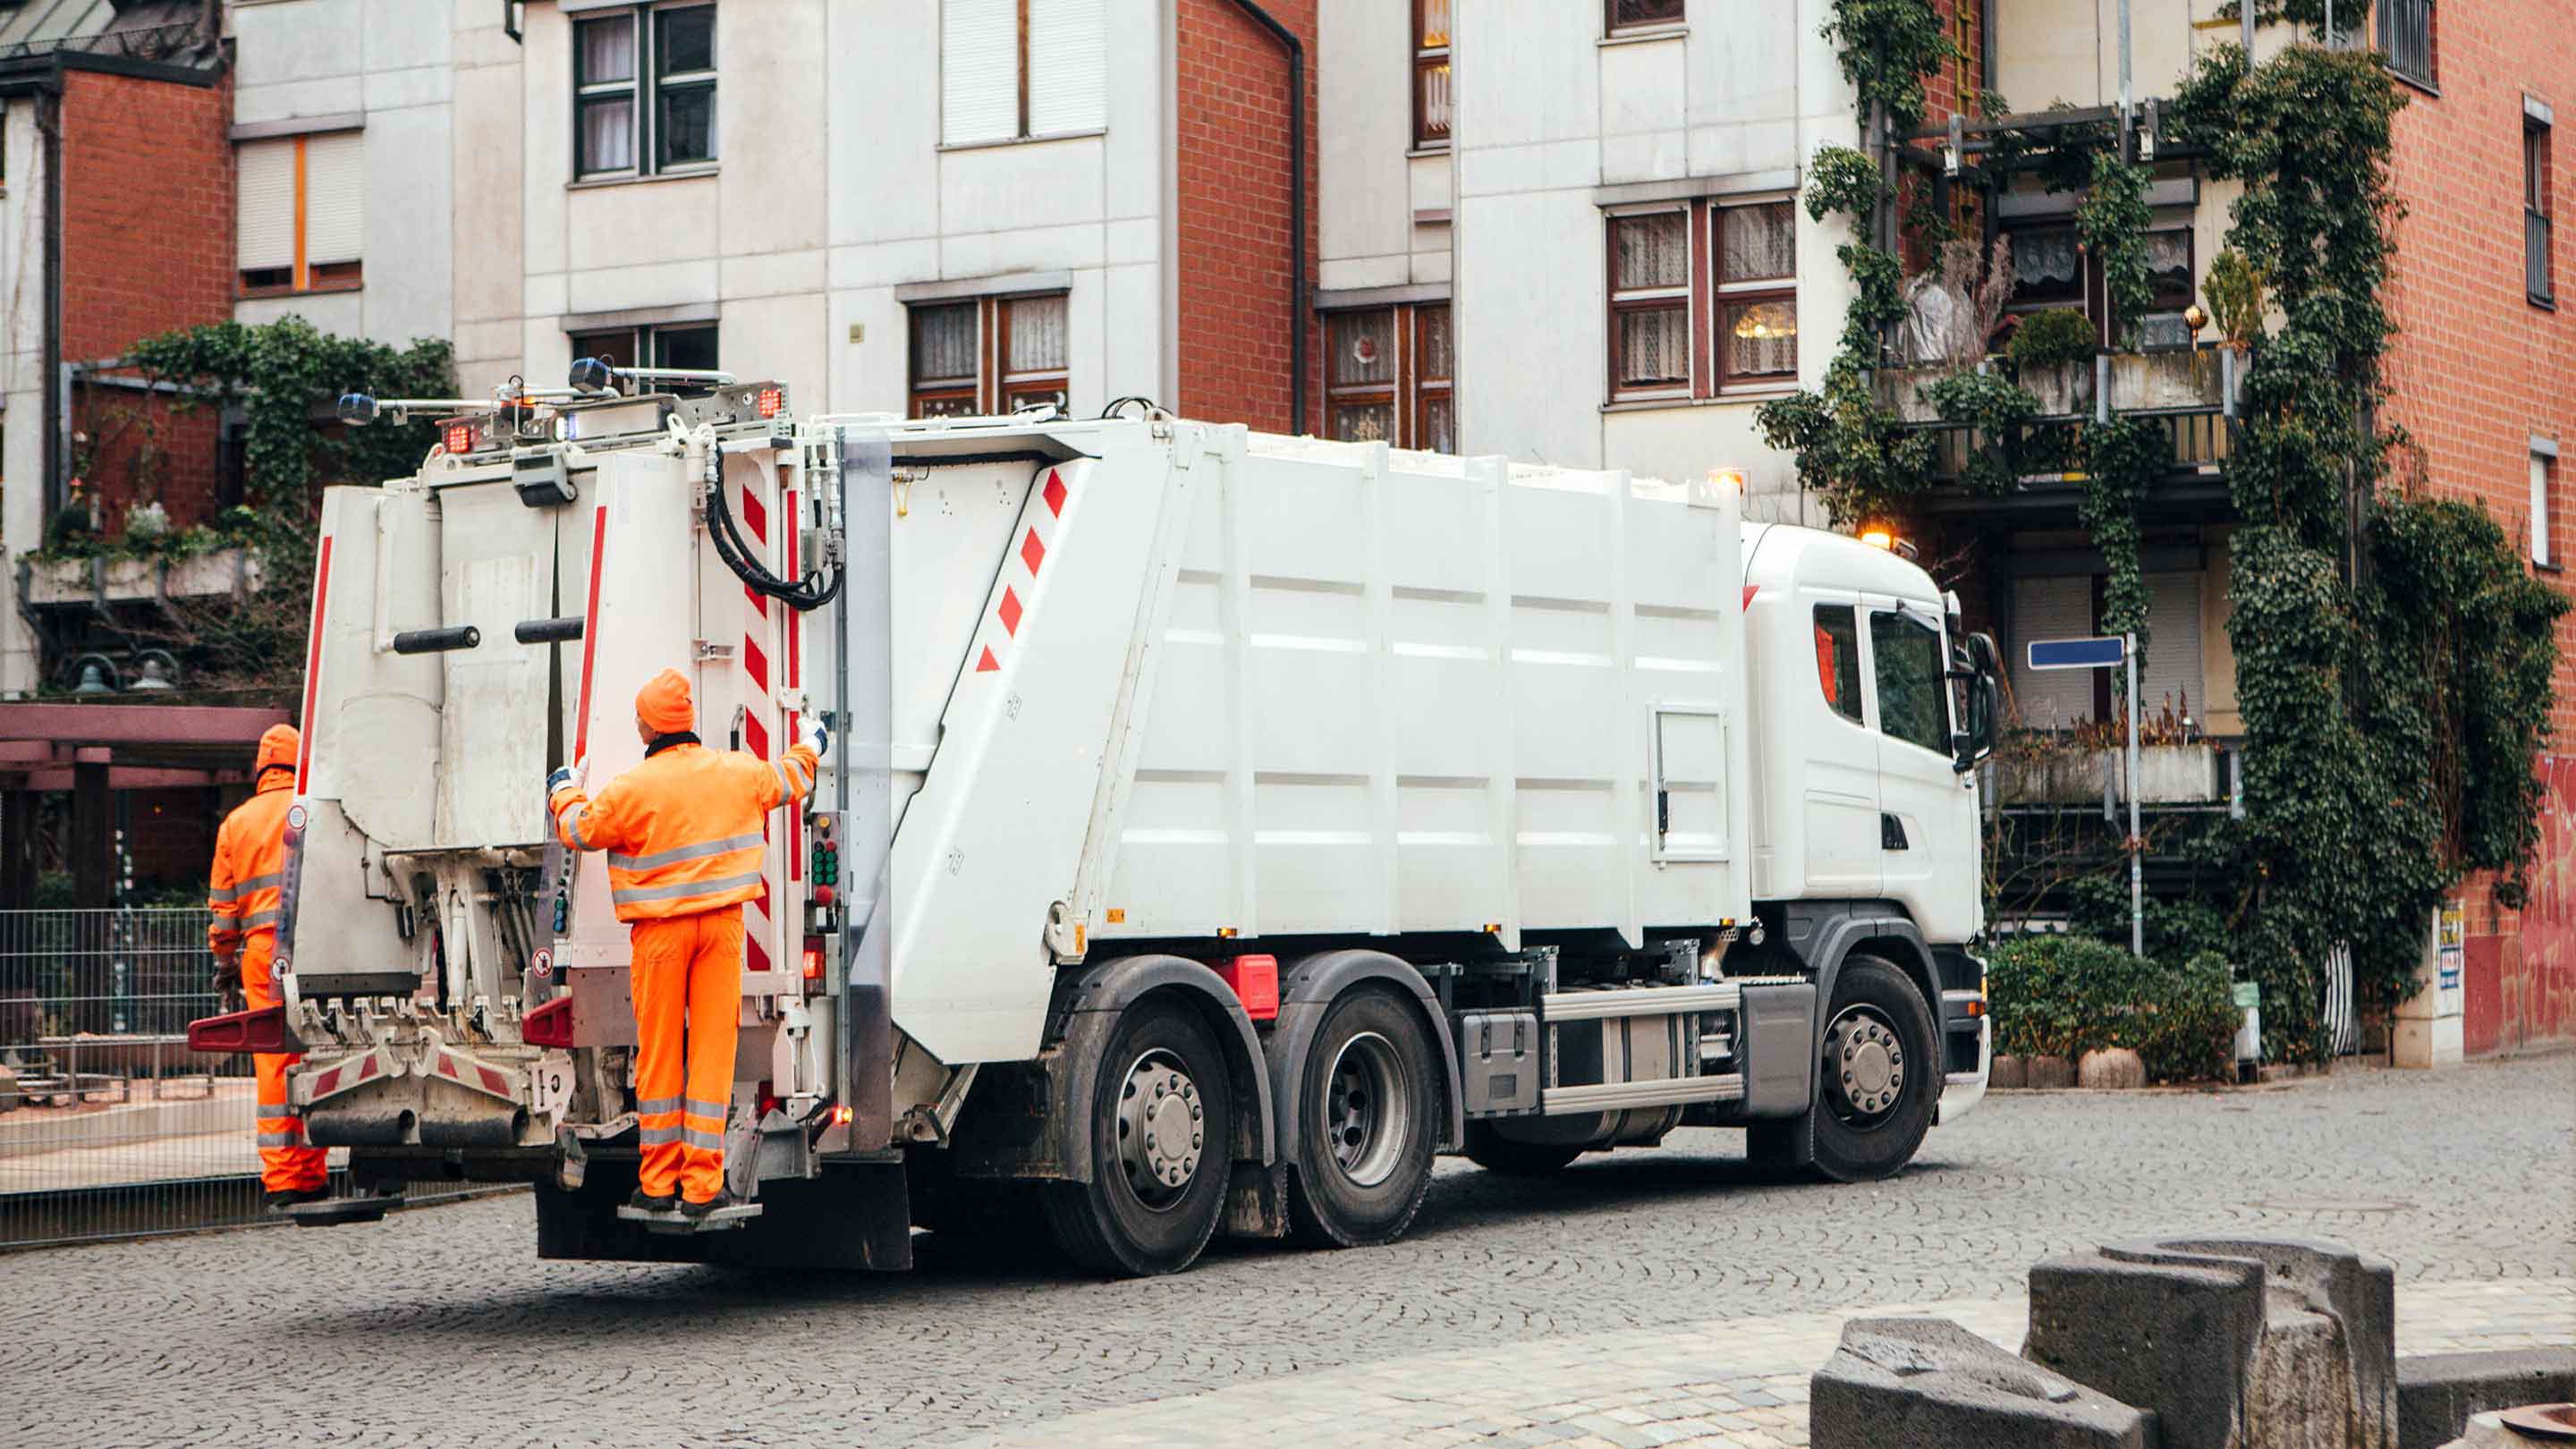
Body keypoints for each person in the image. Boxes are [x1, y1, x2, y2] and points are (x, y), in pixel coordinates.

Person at [547, 668, 822, 1216]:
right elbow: (791, 780)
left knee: (660, 1059)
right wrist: (813, 741)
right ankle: (702, 1189)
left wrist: (562, 787)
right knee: (713, 1054)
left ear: (649, 728)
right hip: (721, 930)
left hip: (660, 936)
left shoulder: (632, 788)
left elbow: (579, 830)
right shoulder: (734, 772)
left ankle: (655, 1186)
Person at [209, 723, 329, 1208]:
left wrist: (223, 962)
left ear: (260, 769)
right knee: (316, 1056)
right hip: (319, 950)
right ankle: (315, 1172)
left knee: (274, 1062)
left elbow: (222, 910)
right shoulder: (311, 812)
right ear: (299, 763)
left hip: (262, 957)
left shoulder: (235, 824)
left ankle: (284, 1180)